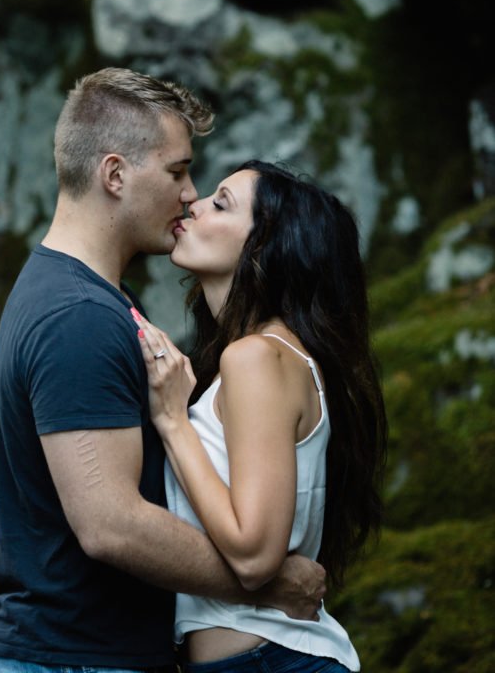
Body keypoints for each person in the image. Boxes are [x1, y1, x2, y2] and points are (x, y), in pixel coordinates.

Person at [0, 71, 326, 673]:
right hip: (73, 658)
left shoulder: (95, 297)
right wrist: (268, 586)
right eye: (177, 171)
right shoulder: (77, 317)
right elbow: (110, 525)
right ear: (114, 175)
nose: (190, 193)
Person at [135, 160, 388, 673]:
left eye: (221, 203)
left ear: (265, 248)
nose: (194, 202)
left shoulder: (256, 356)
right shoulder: (269, 357)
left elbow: (254, 556)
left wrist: (173, 423)